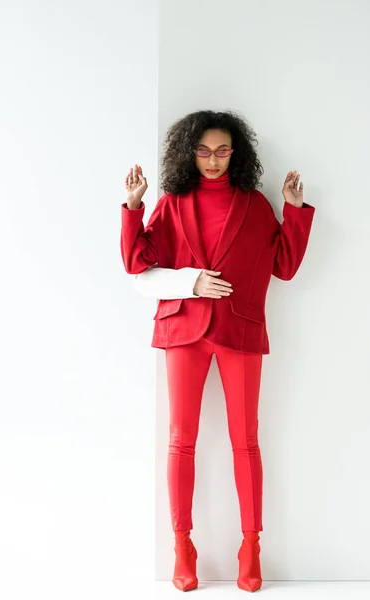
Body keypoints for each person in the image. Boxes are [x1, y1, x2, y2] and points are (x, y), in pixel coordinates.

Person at [120, 110, 315, 593]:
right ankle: (182, 547)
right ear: (190, 152)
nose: (212, 160)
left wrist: (293, 210)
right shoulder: (171, 203)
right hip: (183, 329)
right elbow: (135, 263)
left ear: (237, 152)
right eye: (203, 150)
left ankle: (251, 547)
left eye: (222, 150)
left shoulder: (254, 205)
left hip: (240, 330)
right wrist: (132, 207)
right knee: (180, 440)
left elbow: (285, 267)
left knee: (245, 441)